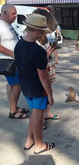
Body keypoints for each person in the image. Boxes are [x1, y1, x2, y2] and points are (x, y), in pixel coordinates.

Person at [14, 13, 55, 154]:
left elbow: (22, 64)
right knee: (38, 117)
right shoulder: (38, 51)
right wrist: (50, 95)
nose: (43, 33)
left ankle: (29, 140)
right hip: (38, 89)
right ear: (38, 30)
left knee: (33, 114)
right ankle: (39, 145)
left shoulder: (19, 44)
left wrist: (44, 57)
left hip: (26, 86)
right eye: (43, 30)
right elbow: (43, 77)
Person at [32, 8, 61, 130]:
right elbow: (33, 57)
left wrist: (52, 55)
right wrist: (45, 56)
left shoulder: (43, 36)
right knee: (40, 95)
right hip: (39, 69)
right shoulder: (31, 38)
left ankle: (47, 113)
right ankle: (39, 119)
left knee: (47, 90)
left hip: (47, 65)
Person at [0, 4, 28, 119]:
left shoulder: (8, 25)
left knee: (12, 85)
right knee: (17, 84)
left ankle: (14, 107)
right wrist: (13, 54)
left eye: (16, 13)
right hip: (8, 61)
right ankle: (13, 111)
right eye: (13, 13)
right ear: (5, 13)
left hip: (13, 60)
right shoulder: (1, 26)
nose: (15, 16)